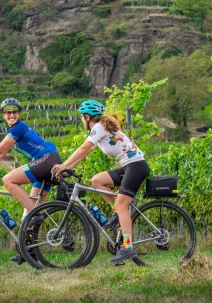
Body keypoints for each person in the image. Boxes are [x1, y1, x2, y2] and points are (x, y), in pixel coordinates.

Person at [0, 98, 61, 264]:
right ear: (3, 115)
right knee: (29, 209)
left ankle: (35, 215)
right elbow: (0, 155)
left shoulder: (18, 128)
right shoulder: (15, 131)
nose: (11, 115)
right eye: (8, 113)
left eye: (15, 112)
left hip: (47, 161)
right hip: (49, 163)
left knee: (8, 180)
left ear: (19, 114)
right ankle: (29, 252)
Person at [52, 100, 150, 263]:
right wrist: (66, 168)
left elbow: (82, 148)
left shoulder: (98, 127)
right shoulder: (100, 130)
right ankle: (117, 213)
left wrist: (63, 165)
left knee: (122, 206)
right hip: (129, 166)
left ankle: (127, 247)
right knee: (97, 180)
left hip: (136, 166)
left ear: (87, 117)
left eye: (82, 117)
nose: (81, 120)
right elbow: (84, 154)